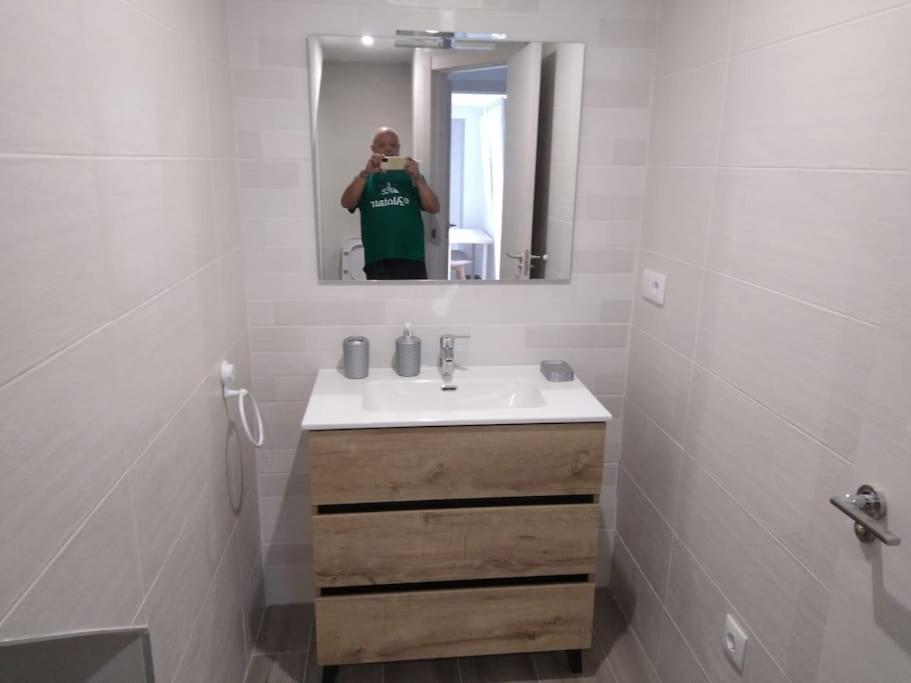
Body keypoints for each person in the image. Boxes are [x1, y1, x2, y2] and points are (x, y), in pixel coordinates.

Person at [340, 127, 440, 279]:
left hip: (411, 256)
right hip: (377, 257)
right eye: (382, 145)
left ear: (398, 148)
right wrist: (365, 174)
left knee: (415, 295)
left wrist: (418, 178)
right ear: (373, 149)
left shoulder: (412, 177)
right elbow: (347, 203)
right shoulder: (365, 179)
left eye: (393, 145)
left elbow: (434, 207)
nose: (388, 149)